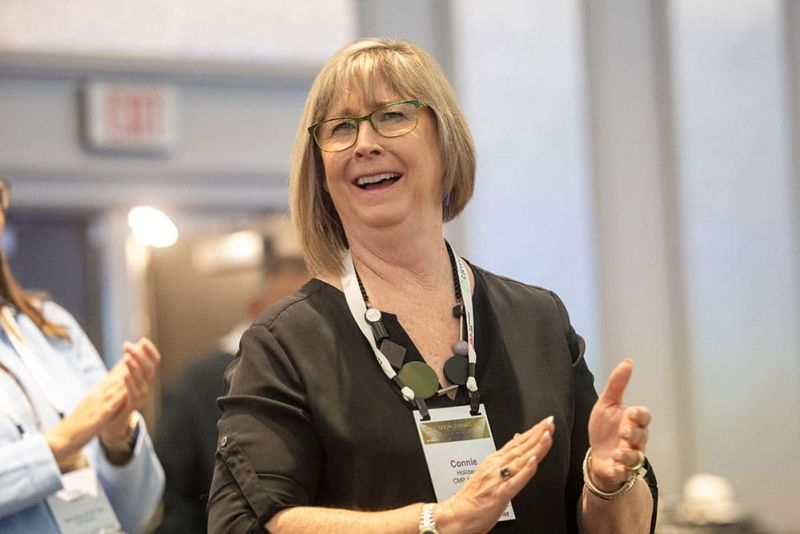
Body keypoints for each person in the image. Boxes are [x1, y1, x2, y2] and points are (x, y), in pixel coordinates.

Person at [208, 38, 658, 533]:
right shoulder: (285, 343)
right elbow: (244, 524)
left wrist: (608, 481)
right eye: (341, 128)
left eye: (392, 116)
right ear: (320, 172)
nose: (364, 143)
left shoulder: (538, 321)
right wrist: (435, 522)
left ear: (445, 142)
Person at [0, 178, 164, 533]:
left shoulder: (51, 327)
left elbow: (136, 513)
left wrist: (116, 437)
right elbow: (69, 436)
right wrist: (61, 442)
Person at [155, 239, 308, 534]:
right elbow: (176, 502)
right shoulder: (195, 386)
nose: (299, 328)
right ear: (254, 307)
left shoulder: (334, 381)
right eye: (285, 311)